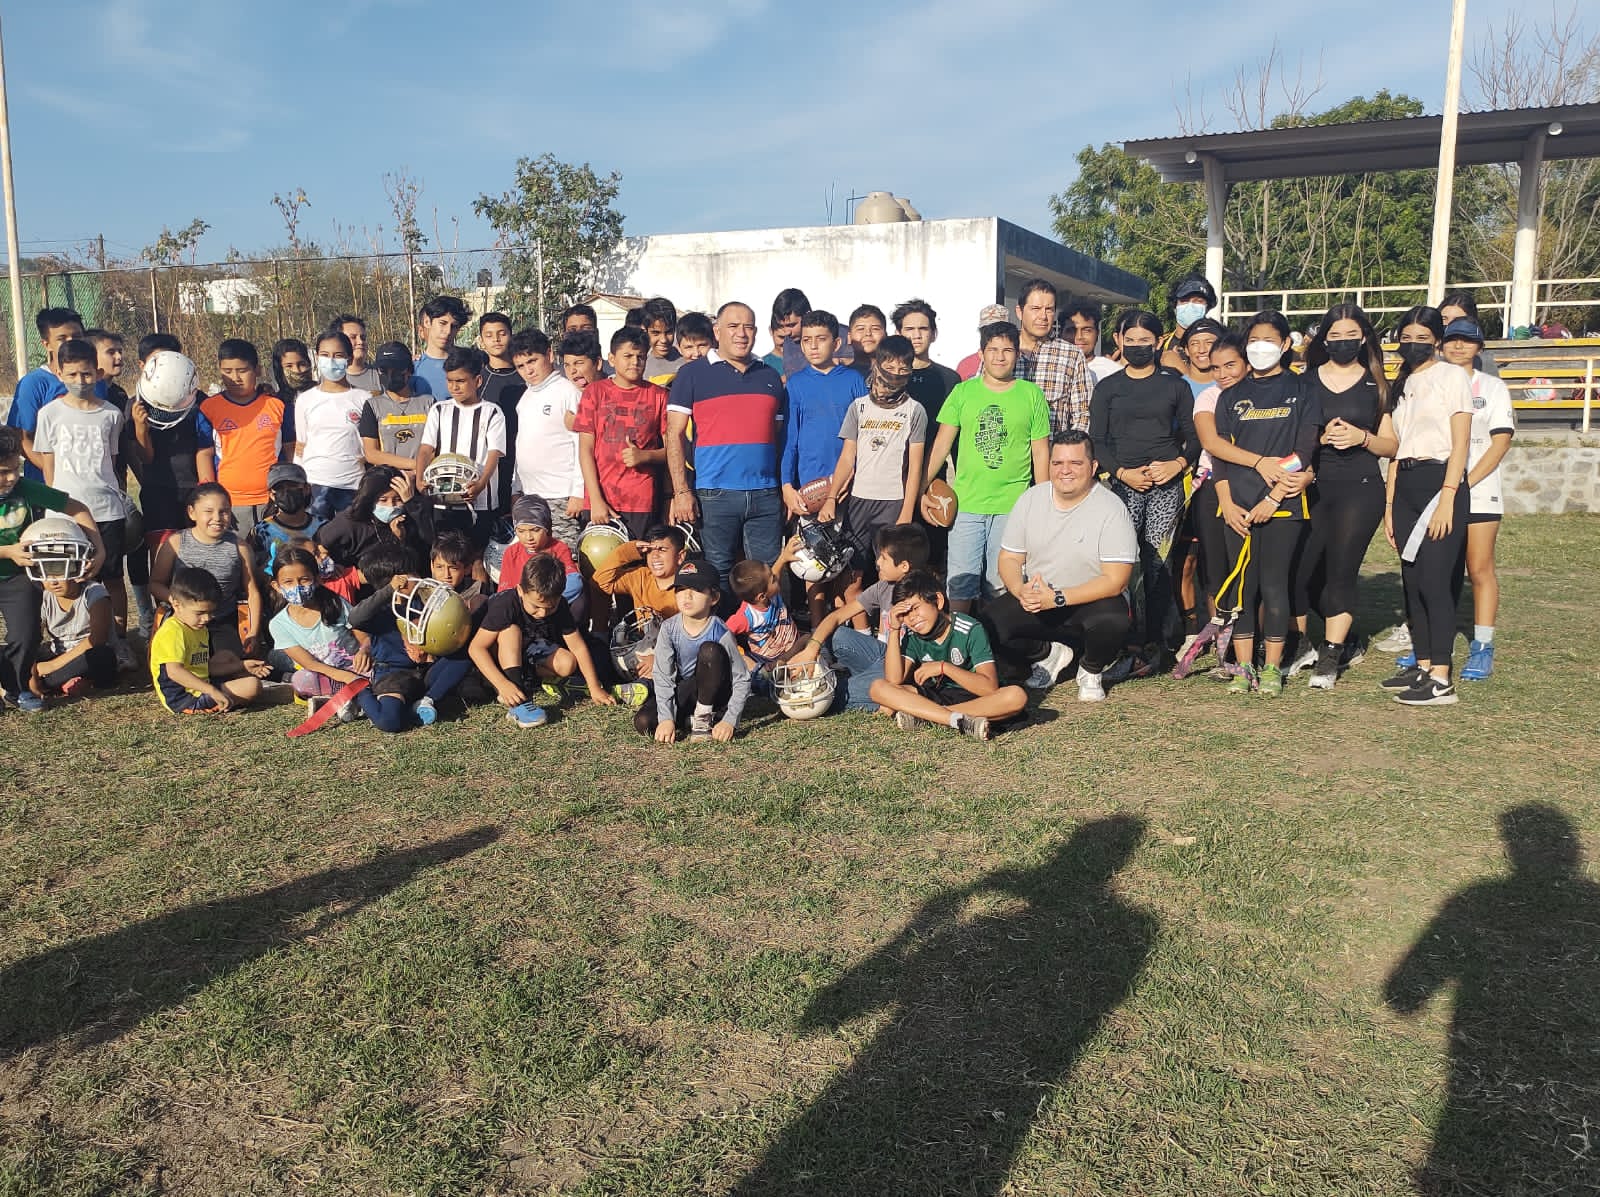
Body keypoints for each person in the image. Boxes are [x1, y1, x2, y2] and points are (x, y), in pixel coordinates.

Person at [1211, 311, 1322, 696]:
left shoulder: (1303, 390)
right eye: (1253, 341)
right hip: (1238, 508)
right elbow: (1221, 455)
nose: (1260, 348)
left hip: (1284, 505)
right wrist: (1227, 502)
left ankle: (1272, 667)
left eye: (1268, 341)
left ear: (1286, 344)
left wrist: (1274, 497)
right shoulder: (1230, 396)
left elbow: (1303, 454)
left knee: (1275, 585)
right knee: (1243, 588)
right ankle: (1244, 667)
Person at [987, 430, 1137, 703]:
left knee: (1113, 619)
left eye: (1075, 463)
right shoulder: (1030, 499)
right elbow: (1009, 558)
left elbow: (1116, 580)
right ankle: (1046, 654)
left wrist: (1057, 598)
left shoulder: (1112, 509)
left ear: (1093, 466)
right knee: (988, 622)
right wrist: (1020, 589)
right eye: (1057, 463)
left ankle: (1091, 669)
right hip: (1039, 598)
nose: (1064, 471)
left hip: (1090, 601)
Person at [1294, 304, 1398, 689]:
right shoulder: (1304, 382)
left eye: (1351, 335)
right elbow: (1292, 436)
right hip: (1313, 485)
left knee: (1341, 571)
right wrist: (1317, 439)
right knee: (1299, 571)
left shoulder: (1377, 383)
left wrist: (1362, 438)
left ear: (1364, 337)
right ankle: (1299, 645)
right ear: (1323, 339)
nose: (1342, 342)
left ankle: (1332, 654)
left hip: (1361, 487)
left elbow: (1391, 445)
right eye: (1334, 335)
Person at [1087, 310, 1197, 659]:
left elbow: (1195, 437)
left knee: (1159, 561)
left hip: (1166, 484)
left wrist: (1177, 465)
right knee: (1123, 562)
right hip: (1123, 485)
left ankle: (1161, 638)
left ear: (1158, 342)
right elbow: (1097, 441)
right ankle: (1125, 636)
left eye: (1145, 341)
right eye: (1130, 340)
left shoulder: (1175, 386)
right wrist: (1122, 473)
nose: (1137, 346)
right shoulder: (1108, 388)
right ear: (1119, 341)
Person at [920, 321, 1050, 612]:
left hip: (1013, 507)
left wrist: (1043, 503)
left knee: (1001, 583)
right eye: (993, 350)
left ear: (1017, 354)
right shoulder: (963, 392)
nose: (1000, 357)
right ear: (981, 354)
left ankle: (997, 638)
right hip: (966, 505)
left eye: (1007, 350)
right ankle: (958, 637)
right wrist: (919, 490)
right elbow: (940, 446)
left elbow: (1041, 453)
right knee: (960, 582)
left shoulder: (1032, 395)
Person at [1380, 306, 1473, 707]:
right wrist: (1389, 505)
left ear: (1436, 339)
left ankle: (1441, 677)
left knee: (1435, 581)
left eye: (1422, 337)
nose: (1413, 344)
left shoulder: (1451, 376)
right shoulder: (1400, 382)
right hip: (1406, 485)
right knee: (1413, 582)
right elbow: (1396, 450)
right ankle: (1421, 664)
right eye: (1406, 337)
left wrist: (1449, 495)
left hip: (1441, 483)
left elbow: (1461, 441)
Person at [665, 302, 786, 600]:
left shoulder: (770, 376)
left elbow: (780, 439)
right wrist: (681, 491)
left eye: (748, 327)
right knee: (717, 572)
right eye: (733, 326)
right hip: (714, 494)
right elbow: (674, 434)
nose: (741, 334)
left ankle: (769, 630)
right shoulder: (691, 374)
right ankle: (725, 630)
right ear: (717, 331)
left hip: (765, 494)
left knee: (767, 574)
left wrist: (783, 488)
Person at [0, 428, 106, 712]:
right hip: (12, 559)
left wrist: (99, 547)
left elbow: (77, 508)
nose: (11, 477)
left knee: (26, 635)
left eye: (15, 468)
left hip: (18, 576)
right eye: (3, 472)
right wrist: (7, 551)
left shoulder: (24, 487)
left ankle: (16, 688)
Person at [32, 338, 132, 637]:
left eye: (86, 374)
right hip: (64, 516)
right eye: (72, 374)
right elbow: (48, 466)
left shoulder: (111, 415)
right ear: (59, 373)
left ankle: (118, 640)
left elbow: (112, 462)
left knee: (111, 578)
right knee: (66, 577)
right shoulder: (49, 414)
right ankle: (70, 637)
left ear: (98, 373)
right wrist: (55, 508)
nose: (80, 381)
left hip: (106, 510)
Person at [786, 523, 931, 711]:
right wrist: (812, 649)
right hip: (883, 654)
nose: (877, 563)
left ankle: (898, 695)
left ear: (904, 566)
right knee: (835, 634)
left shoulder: (922, 598)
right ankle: (853, 677)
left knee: (833, 695)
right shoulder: (884, 586)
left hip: (903, 667)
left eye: (884, 558)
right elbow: (836, 617)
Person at [869, 569, 1028, 741]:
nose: (912, 618)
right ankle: (955, 720)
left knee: (1016, 696)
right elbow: (894, 680)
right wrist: (894, 629)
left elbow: (989, 688)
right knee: (878, 688)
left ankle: (927, 716)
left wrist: (944, 668)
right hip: (937, 695)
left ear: (938, 601)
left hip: (975, 698)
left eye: (915, 608)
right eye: (905, 613)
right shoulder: (912, 636)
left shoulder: (970, 629)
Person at [1440, 317, 1514, 681]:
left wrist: (1464, 484)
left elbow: (1500, 442)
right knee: (1438, 570)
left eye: (1467, 341)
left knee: (1479, 568)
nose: (1458, 346)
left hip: (1479, 491)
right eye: (1452, 339)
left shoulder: (1493, 387)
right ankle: (1431, 644)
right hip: (1436, 491)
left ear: (1479, 348)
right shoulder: (1431, 383)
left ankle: (1482, 646)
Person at [469, 553, 618, 728]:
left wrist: (594, 687)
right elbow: (476, 648)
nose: (542, 613)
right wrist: (502, 684)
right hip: (498, 650)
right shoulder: (505, 604)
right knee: (511, 631)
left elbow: (578, 647)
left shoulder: (560, 605)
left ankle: (527, 678)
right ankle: (518, 700)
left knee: (567, 663)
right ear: (520, 591)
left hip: (528, 648)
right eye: (536, 606)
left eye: (550, 607)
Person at [820, 336, 927, 578]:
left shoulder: (915, 410)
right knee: (852, 576)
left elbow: (915, 467)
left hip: (894, 502)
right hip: (859, 500)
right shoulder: (858, 407)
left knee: (892, 576)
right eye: (889, 367)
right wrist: (831, 498)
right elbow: (847, 458)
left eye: (902, 369)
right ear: (876, 365)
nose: (895, 375)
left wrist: (907, 512)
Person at [150, 483, 266, 679]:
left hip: (222, 620)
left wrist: (254, 632)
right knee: (182, 665)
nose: (217, 518)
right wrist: (178, 602)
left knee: (228, 663)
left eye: (224, 511)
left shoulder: (240, 547)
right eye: (208, 511)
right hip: (184, 621)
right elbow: (155, 584)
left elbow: (252, 592)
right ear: (192, 512)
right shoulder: (175, 543)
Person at [127, 341, 216, 582]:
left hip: (194, 490)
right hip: (159, 492)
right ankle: (163, 604)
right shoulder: (136, 405)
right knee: (163, 559)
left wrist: (207, 492)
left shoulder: (198, 402)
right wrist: (141, 428)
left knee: (200, 554)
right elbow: (145, 457)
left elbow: (205, 449)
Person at [635, 557, 749, 743]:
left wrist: (730, 720)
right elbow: (663, 676)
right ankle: (691, 720)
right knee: (644, 722)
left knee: (709, 651)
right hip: (688, 689)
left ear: (714, 598)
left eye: (696, 589)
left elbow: (742, 678)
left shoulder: (720, 631)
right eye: (680, 589)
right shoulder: (669, 628)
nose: (686, 596)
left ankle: (704, 719)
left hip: (716, 694)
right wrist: (666, 718)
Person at [574, 327, 669, 538]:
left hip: (641, 501)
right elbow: (585, 450)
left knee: (636, 556)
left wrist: (646, 456)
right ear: (611, 359)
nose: (635, 362)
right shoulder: (594, 392)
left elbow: (673, 450)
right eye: (628, 356)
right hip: (601, 499)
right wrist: (596, 499)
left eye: (640, 356)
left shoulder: (659, 395)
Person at [415, 346, 507, 547]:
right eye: (450, 381)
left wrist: (480, 484)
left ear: (478, 381)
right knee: (445, 555)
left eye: (461, 381)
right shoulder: (439, 410)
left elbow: (494, 453)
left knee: (476, 557)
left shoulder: (492, 412)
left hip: (481, 501)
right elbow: (426, 449)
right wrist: (420, 479)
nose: (454, 387)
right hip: (443, 500)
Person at [781, 310, 867, 517]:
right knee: (812, 537)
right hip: (810, 486)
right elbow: (789, 439)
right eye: (807, 340)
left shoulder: (854, 380)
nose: (813, 346)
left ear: (836, 344)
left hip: (851, 483)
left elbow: (865, 432)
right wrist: (786, 485)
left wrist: (855, 470)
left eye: (821, 339)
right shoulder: (796, 384)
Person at [199, 338, 288, 534]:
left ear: (257, 370)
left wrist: (286, 491)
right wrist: (211, 497)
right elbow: (204, 453)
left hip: (272, 501)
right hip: (230, 503)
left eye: (242, 370)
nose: (235, 378)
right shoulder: (209, 408)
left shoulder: (276, 405)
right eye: (227, 371)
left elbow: (289, 450)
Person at [267, 545, 372, 707]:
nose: (297, 587)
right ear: (277, 586)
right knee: (301, 680)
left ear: (316, 579)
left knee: (385, 671)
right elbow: (310, 663)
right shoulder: (279, 624)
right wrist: (346, 677)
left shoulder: (335, 604)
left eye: (304, 580)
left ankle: (349, 696)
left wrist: (364, 651)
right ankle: (351, 695)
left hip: (359, 667)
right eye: (288, 582)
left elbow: (365, 637)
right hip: (326, 675)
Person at [510, 329, 585, 553]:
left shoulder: (568, 392)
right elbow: (521, 444)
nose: (528, 370)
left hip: (561, 495)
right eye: (521, 366)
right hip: (530, 495)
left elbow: (581, 443)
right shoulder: (525, 398)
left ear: (549, 355)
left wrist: (578, 491)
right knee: (536, 564)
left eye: (532, 361)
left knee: (564, 558)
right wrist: (516, 488)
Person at [149, 566, 262, 714]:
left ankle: (247, 685)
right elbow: (174, 672)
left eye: (211, 612)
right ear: (177, 605)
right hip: (184, 699)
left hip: (202, 685)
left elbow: (204, 668)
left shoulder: (198, 627)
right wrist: (211, 690)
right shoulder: (172, 632)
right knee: (253, 685)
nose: (207, 618)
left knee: (226, 656)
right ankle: (244, 692)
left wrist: (242, 665)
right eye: (200, 613)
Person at [292, 329, 369, 520]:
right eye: (325, 355)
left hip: (352, 484)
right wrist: (297, 484)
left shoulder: (363, 398)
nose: (331, 361)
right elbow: (301, 445)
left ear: (349, 359)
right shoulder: (305, 400)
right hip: (315, 485)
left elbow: (370, 444)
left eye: (338, 355)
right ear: (317, 358)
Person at [8, 307, 86, 480]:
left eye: (77, 336)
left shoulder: (96, 382)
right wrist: (56, 472)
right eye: (62, 338)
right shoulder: (33, 383)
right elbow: (22, 438)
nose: (70, 342)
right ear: (47, 344)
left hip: (91, 484)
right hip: (49, 486)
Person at [31, 550, 118, 698]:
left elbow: (97, 639)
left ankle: (48, 683)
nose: (53, 582)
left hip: (86, 656)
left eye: (59, 574)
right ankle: (64, 682)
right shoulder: (45, 596)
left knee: (102, 655)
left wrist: (51, 666)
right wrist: (33, 668)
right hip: (58, 654)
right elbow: (32, 640)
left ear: (75, 571)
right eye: (47, 575)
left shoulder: (95, 592)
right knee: (12, 653)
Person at [315, 466, 434, 572]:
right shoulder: (350, 522)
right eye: (383, 500)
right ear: (369, 500)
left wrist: (411, 503)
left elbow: (429, 541)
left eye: (398, 499)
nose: (391, 506)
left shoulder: (408, 517)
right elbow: (319, 543)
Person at [1013, 279, 1092, 434]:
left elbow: (1083, 415)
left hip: (1053, 446)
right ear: (1019, 312)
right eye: (1035, 308)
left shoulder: (1071, 355)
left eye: (1049, 309)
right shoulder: (999, 351)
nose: (1043, 316)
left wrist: (1068, 447)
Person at [726, 537, 806, 675]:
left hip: (791, 647)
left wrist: (783, 557)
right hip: (767, 660)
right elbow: (724, 632)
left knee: (805, 641)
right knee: (808, 638)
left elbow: (773, 573)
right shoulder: (745, 617)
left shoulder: (769, 592)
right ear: (761, 596)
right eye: (773, 579)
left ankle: (783, 666)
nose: (776, 577)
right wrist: (739, 653)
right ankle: (776, 670)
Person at [358, 341, 435, 473]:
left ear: (409, 370)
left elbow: (437, 446)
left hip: (424, 479)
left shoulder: (429, 403)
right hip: (388, 480)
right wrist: (415, 465)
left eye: (397, 369)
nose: (390, 375)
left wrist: (417, 473)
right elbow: (371, 453)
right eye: (384, 370)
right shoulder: (372, 405)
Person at [476, 311, 524, 516]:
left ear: (511, 336)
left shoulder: (525, 375)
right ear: (481, 341)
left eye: (502, 333)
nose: (496, 339)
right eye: (489, 335)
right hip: (488, 464)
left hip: (521, 461)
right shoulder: (477, 380)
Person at [495, 495, 582, 607]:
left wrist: (544, 602)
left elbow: (574, 582)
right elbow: (504, 591)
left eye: (535, 530)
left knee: (581, 601)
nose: (529, 537)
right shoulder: (511, 553)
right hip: (521, 607)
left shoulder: (559, 549)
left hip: (552, 605)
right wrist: (528, 604)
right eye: (521, 531)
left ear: (547, 527)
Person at [592, 522, 687, 620]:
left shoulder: (689, 585)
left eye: (662, 549)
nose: (654, 556)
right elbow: (600, 581)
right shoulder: (641, 577)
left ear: (680, 556)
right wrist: (628, 551)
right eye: (649, 550)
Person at [892, 299, 962, 431]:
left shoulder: (949, 378)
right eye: (909, 329)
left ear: (934, 334)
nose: (917, 335)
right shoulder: (887, 376)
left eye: (923, 329)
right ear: (898, 334)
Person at [413, 295, 468, 396]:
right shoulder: (412, 368)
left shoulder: (468, 365)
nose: (448, 331)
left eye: (454, 326)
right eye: (443, 323)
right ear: (427, 322)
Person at [1158, 275, 1219, 366]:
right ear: (1175, 307)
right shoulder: (1160, 344)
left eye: (1198, 301)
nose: (1191, 306)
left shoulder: (1219, 343)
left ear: (1207, 308)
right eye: (1184, 301)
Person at [1439, 292, 1500, 377]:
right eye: (1444, 318)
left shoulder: (1482, 361)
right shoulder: (1426, 356)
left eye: (1458, 320)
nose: (1450, 324)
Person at [1061, 300, 1122, 385]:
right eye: (1072, 330)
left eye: (1087, 330)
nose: (1079, 337)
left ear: (1097, 334)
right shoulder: (1049, 369)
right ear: (1060, 333)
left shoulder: (1114, 373)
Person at [955, 303, 1012, 381]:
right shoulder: (966, 365)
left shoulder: (1023, 364)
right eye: (986, 330)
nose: (992, 333)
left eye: (999, 329)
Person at [765, 288, 810, 376]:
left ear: (807, 315)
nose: (787, 332)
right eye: (782, 326)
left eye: (791, 325)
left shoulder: (833, 335)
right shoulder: (788, 343)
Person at [640, 296, 683, 385]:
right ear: (645, 330)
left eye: (668, 332)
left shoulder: (686, 364)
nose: (663, 340)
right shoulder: (639, 365)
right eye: (656, 333)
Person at [331, 314, 376, 393]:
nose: (360, 342)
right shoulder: (328, 381)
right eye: (353, 337)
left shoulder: (381, 376)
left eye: (363, 338)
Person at [845, 305, 887, 379]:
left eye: (875, 329)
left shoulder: (897, 375)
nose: (868, 333)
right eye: (860, 329)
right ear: (849, 337)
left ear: (885, 335)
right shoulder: (839, 376)